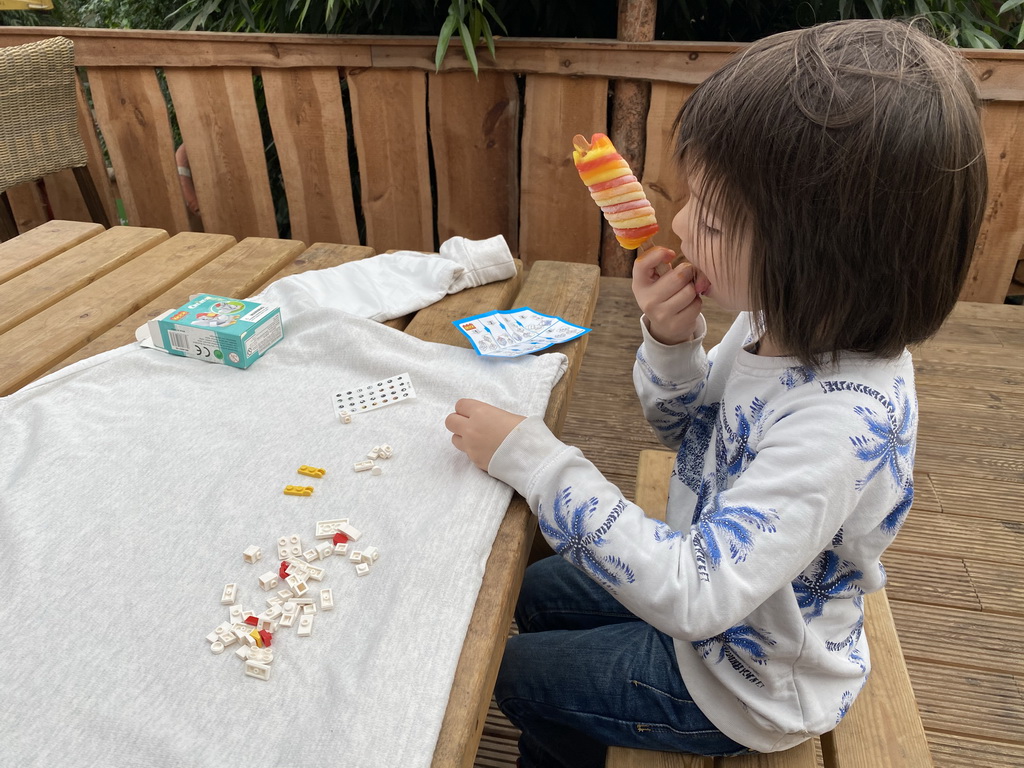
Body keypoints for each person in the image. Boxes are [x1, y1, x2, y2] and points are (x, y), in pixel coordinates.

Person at [444, 18, 987, 768]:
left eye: (713, 216)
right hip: (723, 601)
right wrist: (673, 344)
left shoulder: (839, 424)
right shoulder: (780, 322)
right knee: (534, 594)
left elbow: (695, 593)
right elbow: (689, 436)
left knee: (514, 678)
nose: (678, 222)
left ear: (818, 255)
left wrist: (537, 462)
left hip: (746, 683)